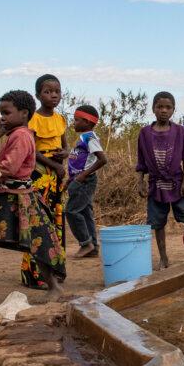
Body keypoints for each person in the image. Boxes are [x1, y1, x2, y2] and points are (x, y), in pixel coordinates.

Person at [0, 90, 66, 309]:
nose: (3, 118)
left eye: (7, 113)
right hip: (8, 198)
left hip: (18, 200)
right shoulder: (17, 134)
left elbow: (9, 166)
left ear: (24, 113)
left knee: (34, 244)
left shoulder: (21, 135)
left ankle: (54, 286)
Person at [137, 92, 184, 268]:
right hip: (155, 185)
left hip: (178, 184)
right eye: (160, 107)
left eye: (168, 107)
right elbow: (141, 161)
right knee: (158, 223)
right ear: (153, 109)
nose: (164, 110)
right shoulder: (144, 134)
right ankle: (163, 258)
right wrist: (140, 182)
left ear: (173, 109)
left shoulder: (181, 132)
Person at [22, 74, 68, 289]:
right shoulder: (33, 119)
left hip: (56, 176)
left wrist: (63, 157)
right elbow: (30, 148)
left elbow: (65, 146)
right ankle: (34, 274)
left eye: (57, 92)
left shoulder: (60, 119)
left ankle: (56, 270)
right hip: (39, 174)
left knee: (56, 220)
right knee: (38, 221)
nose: (53, 95)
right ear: (38, 94)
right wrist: (53, 163)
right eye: (48, 92)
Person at [64, 105, 107, 258]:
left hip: (85, 180)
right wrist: (70, 180)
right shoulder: (83, 137)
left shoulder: (90, 137)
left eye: (76, 120)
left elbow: (103, 159)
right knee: (85, 212)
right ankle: (93, 247)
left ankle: (85, 243)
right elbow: (79, 162)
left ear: (87, 122)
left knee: (71, 211)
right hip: (79, 180)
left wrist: (83, 175)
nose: (73, 123)